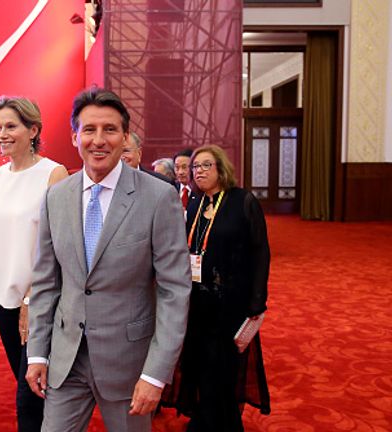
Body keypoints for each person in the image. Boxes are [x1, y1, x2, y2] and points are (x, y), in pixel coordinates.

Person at [25, 88, 191, 432]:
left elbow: (174, 291)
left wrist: (156, 374)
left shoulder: (159, 198)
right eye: (89, 130)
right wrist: (38, 353)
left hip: (128, 363)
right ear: (75, 137)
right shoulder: (56, 197)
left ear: (125, 136)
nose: (98, 140)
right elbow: (46, 283)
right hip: (66, 357)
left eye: (110, 130)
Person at [169, 144, 271, 431]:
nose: (198, 171)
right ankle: (203, 417)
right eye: (195, 167)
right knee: (198, 362)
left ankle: (222, 422)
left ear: (220, 168)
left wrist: (257, 298)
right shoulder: (195, 204)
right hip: (197, 301)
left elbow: (260, 251)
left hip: (230, 302)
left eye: (205, 166)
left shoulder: (243, 201)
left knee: (222, 366)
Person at [0, 95, 68, 431]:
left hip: (38, 302)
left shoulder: (54, 174)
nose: (2, 133)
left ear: (33, 130)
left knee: (28, 396)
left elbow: (60, 247)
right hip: (3, 301)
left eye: (11, 126)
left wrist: (33, 301)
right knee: (33, 389)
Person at [174, 148, 198, 213]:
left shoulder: (200, 191)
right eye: (177, 167)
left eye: (184, 167)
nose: (180, 172)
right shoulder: (171, 189)